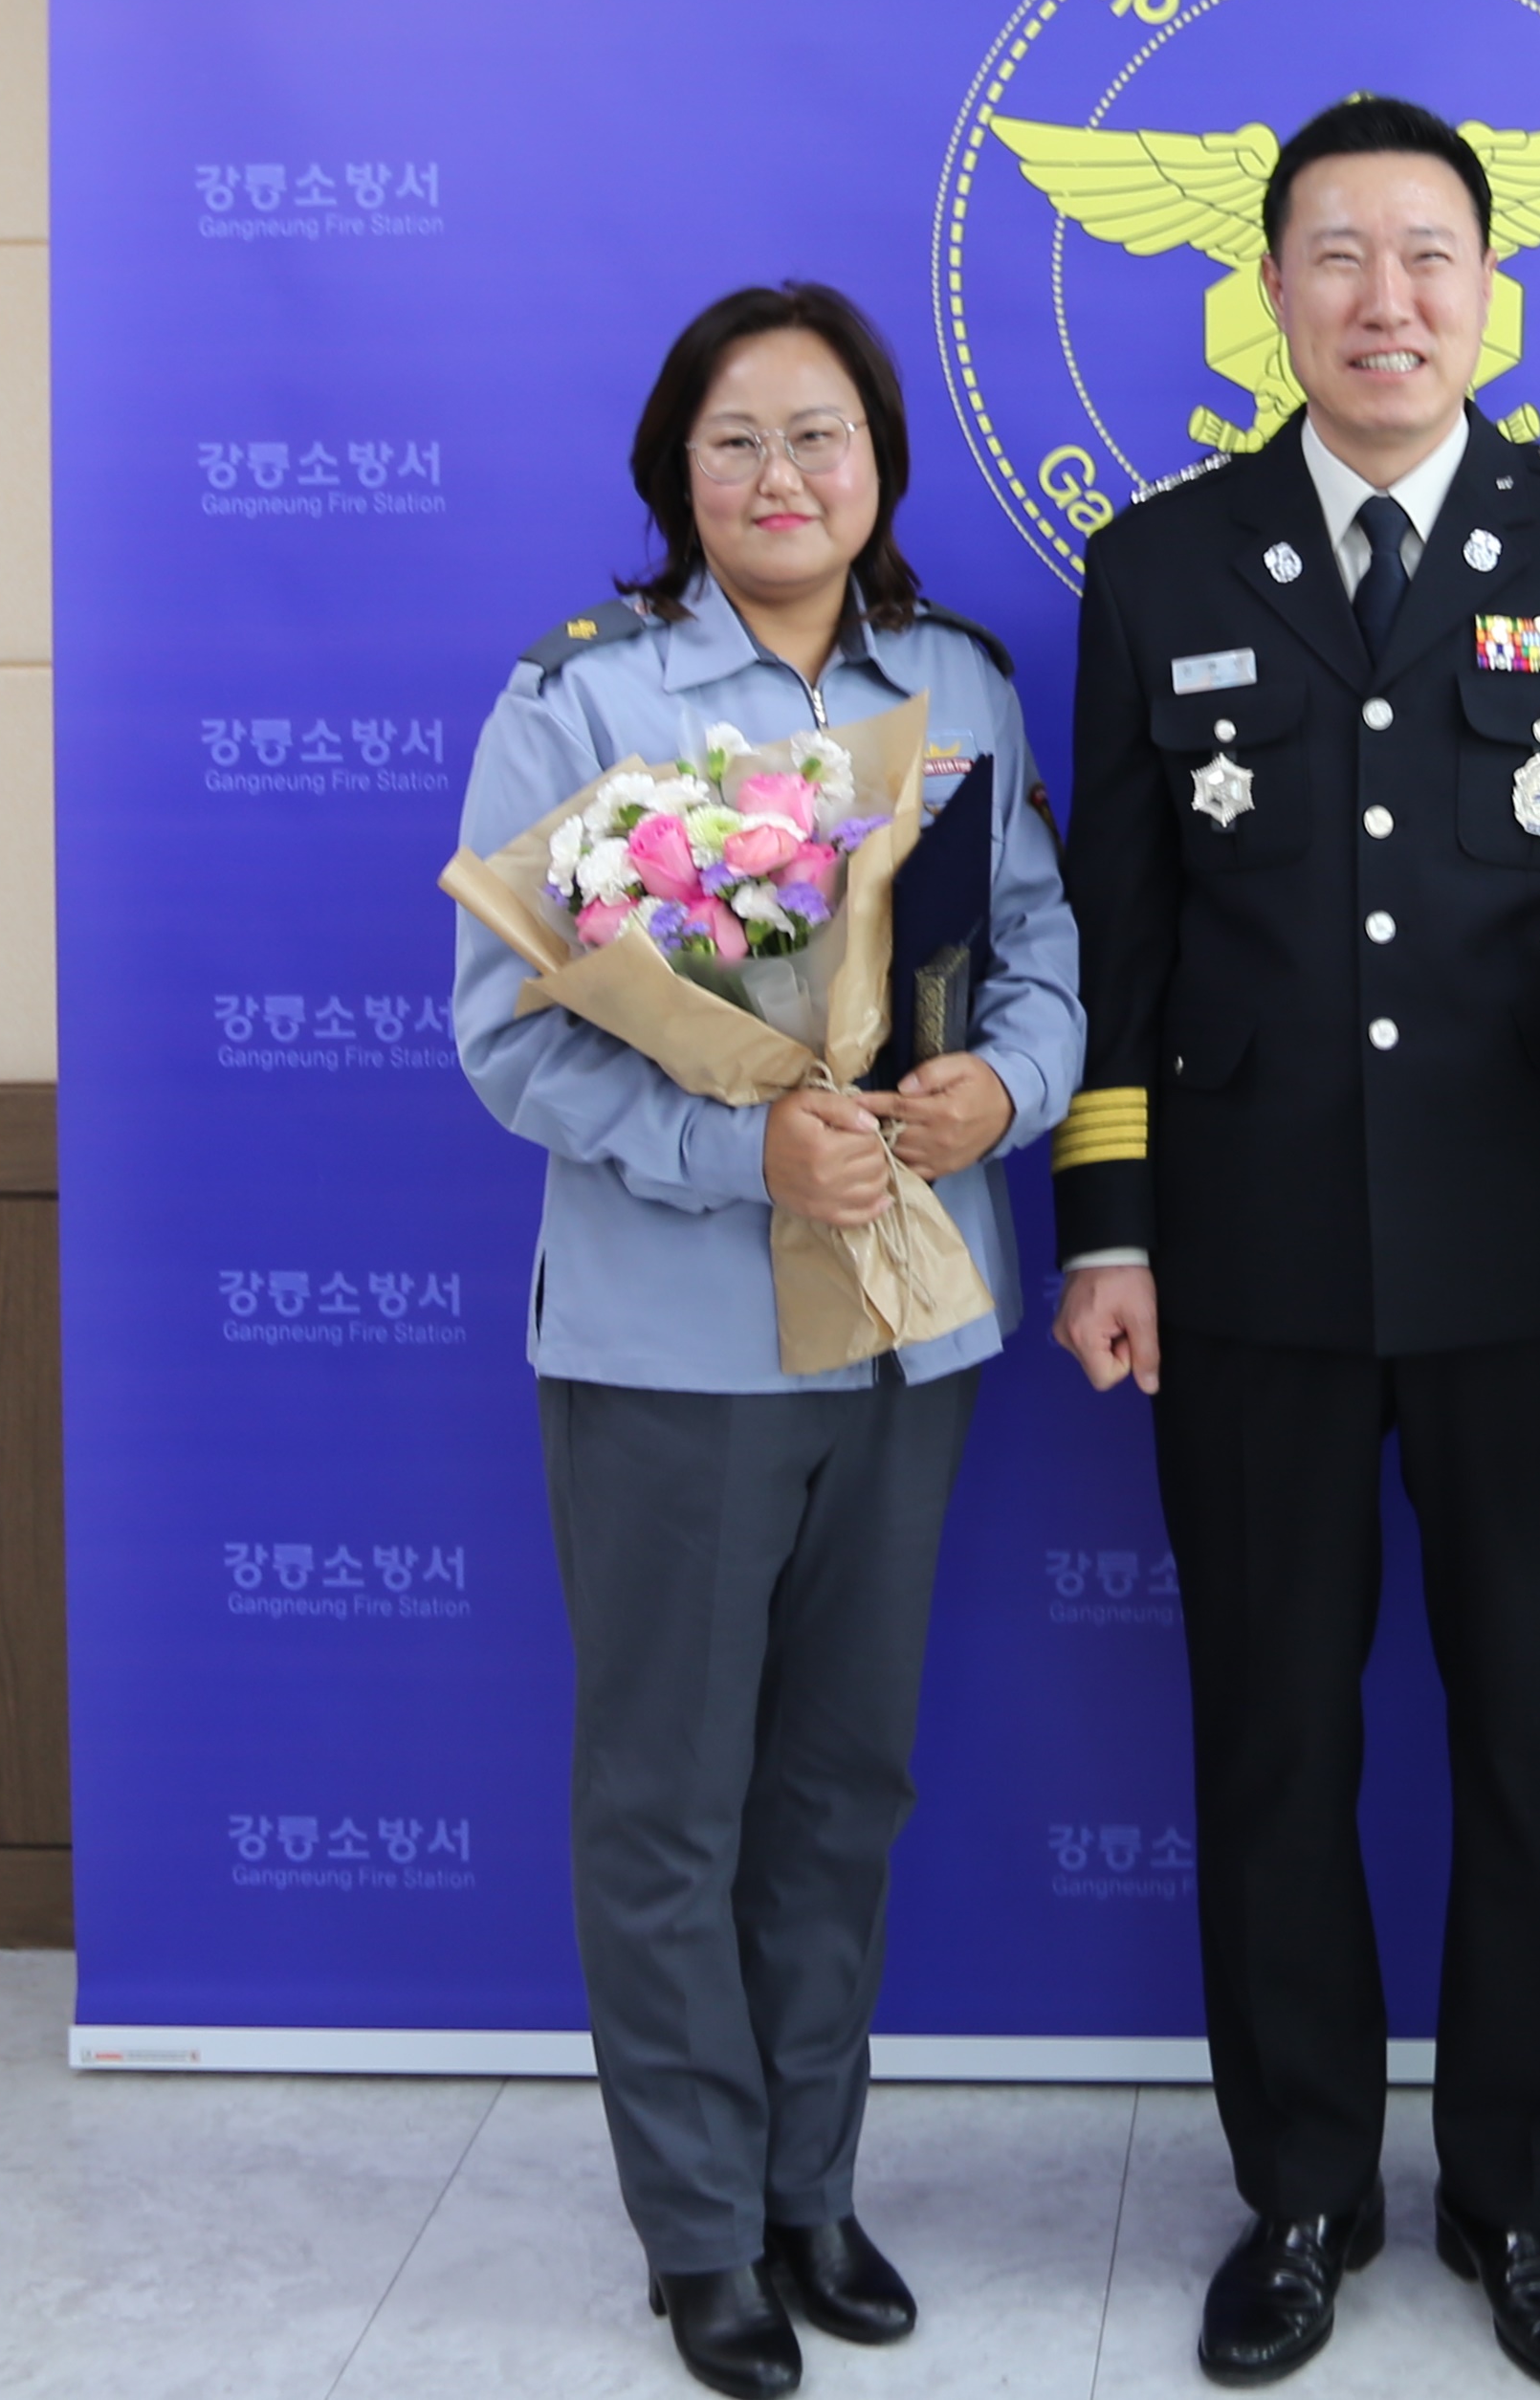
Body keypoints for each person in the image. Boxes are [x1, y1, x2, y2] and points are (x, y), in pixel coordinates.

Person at [1049, 96, 1540, 2393]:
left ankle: (1520, 2197)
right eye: (1336, 253)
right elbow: (1119, 937)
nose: (1386, 297)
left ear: (1493, 291)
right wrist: (1112, 1226)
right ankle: (1304, 2190)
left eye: (1429, 252)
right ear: (1268, 293)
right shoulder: (1157, 565)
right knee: (1270, 1739)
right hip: (1243, 1266)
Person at [452, 282, 1085, 2400]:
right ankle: (703, 2228)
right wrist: (747, 1151)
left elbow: (1039, 953)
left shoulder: (958, 684)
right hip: (673, 1344)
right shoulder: (587, 696)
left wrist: (1005, 1088)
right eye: (736, 439)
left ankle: (814, 2184)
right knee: (669, 1797)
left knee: (842, 1783)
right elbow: (514, 1037)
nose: (782, 474)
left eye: (821, 434)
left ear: (879, 462)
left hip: (906, 1322)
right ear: (677, 472)